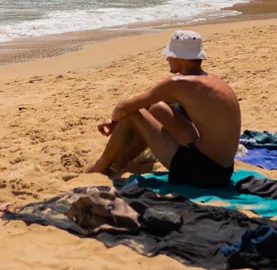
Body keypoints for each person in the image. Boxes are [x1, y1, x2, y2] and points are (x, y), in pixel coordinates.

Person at [88, 31, 241, 188]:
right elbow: (151, 105)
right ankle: (120, 164)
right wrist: (118, 120)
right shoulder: (212, 81)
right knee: (158, 109)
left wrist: (114, 122)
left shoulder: (179, 83)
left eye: (170, 55)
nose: (167, 58)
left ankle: (100, 167)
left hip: (200, 172)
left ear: (182, 59)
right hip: (223, 171)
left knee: (134, 114)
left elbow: (123, 107)